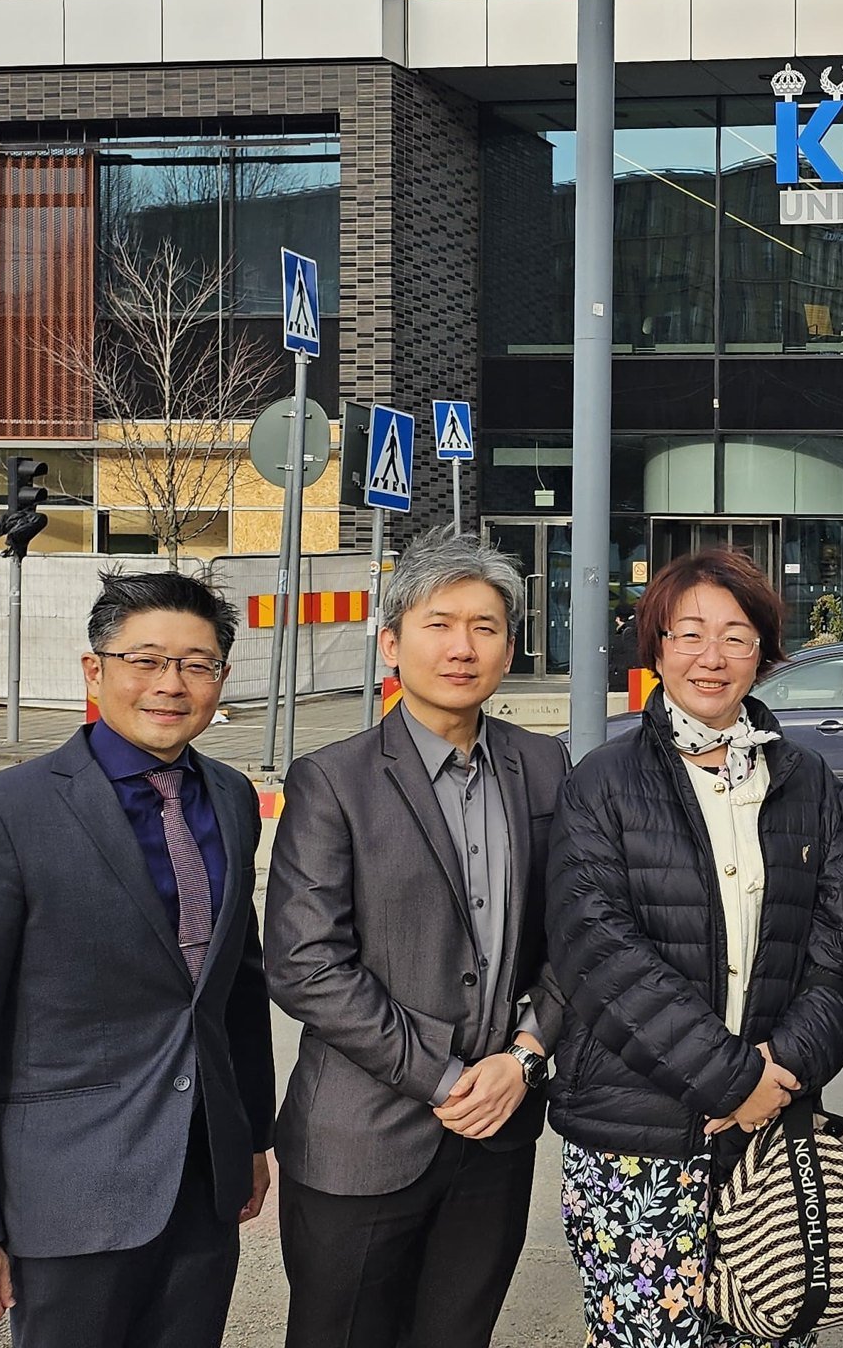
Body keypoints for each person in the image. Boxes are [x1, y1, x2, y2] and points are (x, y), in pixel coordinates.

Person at [0, 572, 275, 1346]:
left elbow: (236, 985)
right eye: (146, 659)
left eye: (197, 664)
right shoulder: (3, 813)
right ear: (93, 669)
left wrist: (249, 1142)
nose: (171, 685)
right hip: (66, 1196)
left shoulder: (232, 797)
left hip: (202, 1183)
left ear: (221, 680)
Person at [264, 530, 573, 1348]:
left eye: (485, 625)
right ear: (392, 641)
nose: (462, 647)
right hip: (360, 1140)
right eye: (439, 624)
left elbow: (582, 934)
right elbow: (304, 965)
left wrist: (528, 1054)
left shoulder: (546, 768)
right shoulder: (334, 779)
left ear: (511, 645)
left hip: (499, 1137)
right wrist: (444, 1075)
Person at [546, 547, 843, 1347]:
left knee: (770, 1330)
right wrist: (731, 1080)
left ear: (764, 651)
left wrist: (779, 1075)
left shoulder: (809, 782)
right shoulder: (603, 780)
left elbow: (837, 956)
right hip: (634, 1138)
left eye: (735, 635)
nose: (710, 658)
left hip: (771, 1130)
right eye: (688, 634)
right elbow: (599, 955)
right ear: (655, 649)